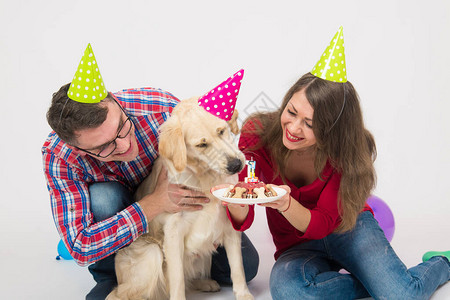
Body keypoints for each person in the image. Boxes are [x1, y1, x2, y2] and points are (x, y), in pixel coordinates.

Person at [224, 27, 449, 299]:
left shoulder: (347, 153)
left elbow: (323, 223)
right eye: (291, 112)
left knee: (403, 295)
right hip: (298, 246)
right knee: (288, 291)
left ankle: (441, 262)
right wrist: (235, 200)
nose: (293, 128)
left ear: (332, 130)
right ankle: (377, 283)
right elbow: (244, 215)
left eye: (310, 124)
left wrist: (284, 203)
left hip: (351, 231)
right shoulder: (257, 134)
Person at [42, 44, 258, 300]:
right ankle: (112, 276)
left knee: (250, 264)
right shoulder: (59, 157)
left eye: (122, 126)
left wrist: (209, 220)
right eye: (104, 146)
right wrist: (152, 205)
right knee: (104, 197)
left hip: (179, 218)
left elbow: (211, 150)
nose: (124, 145)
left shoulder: (159, 108)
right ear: (76, 147)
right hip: (130, 220)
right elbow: (80, 246)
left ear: (115, 101)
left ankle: (180, 275)